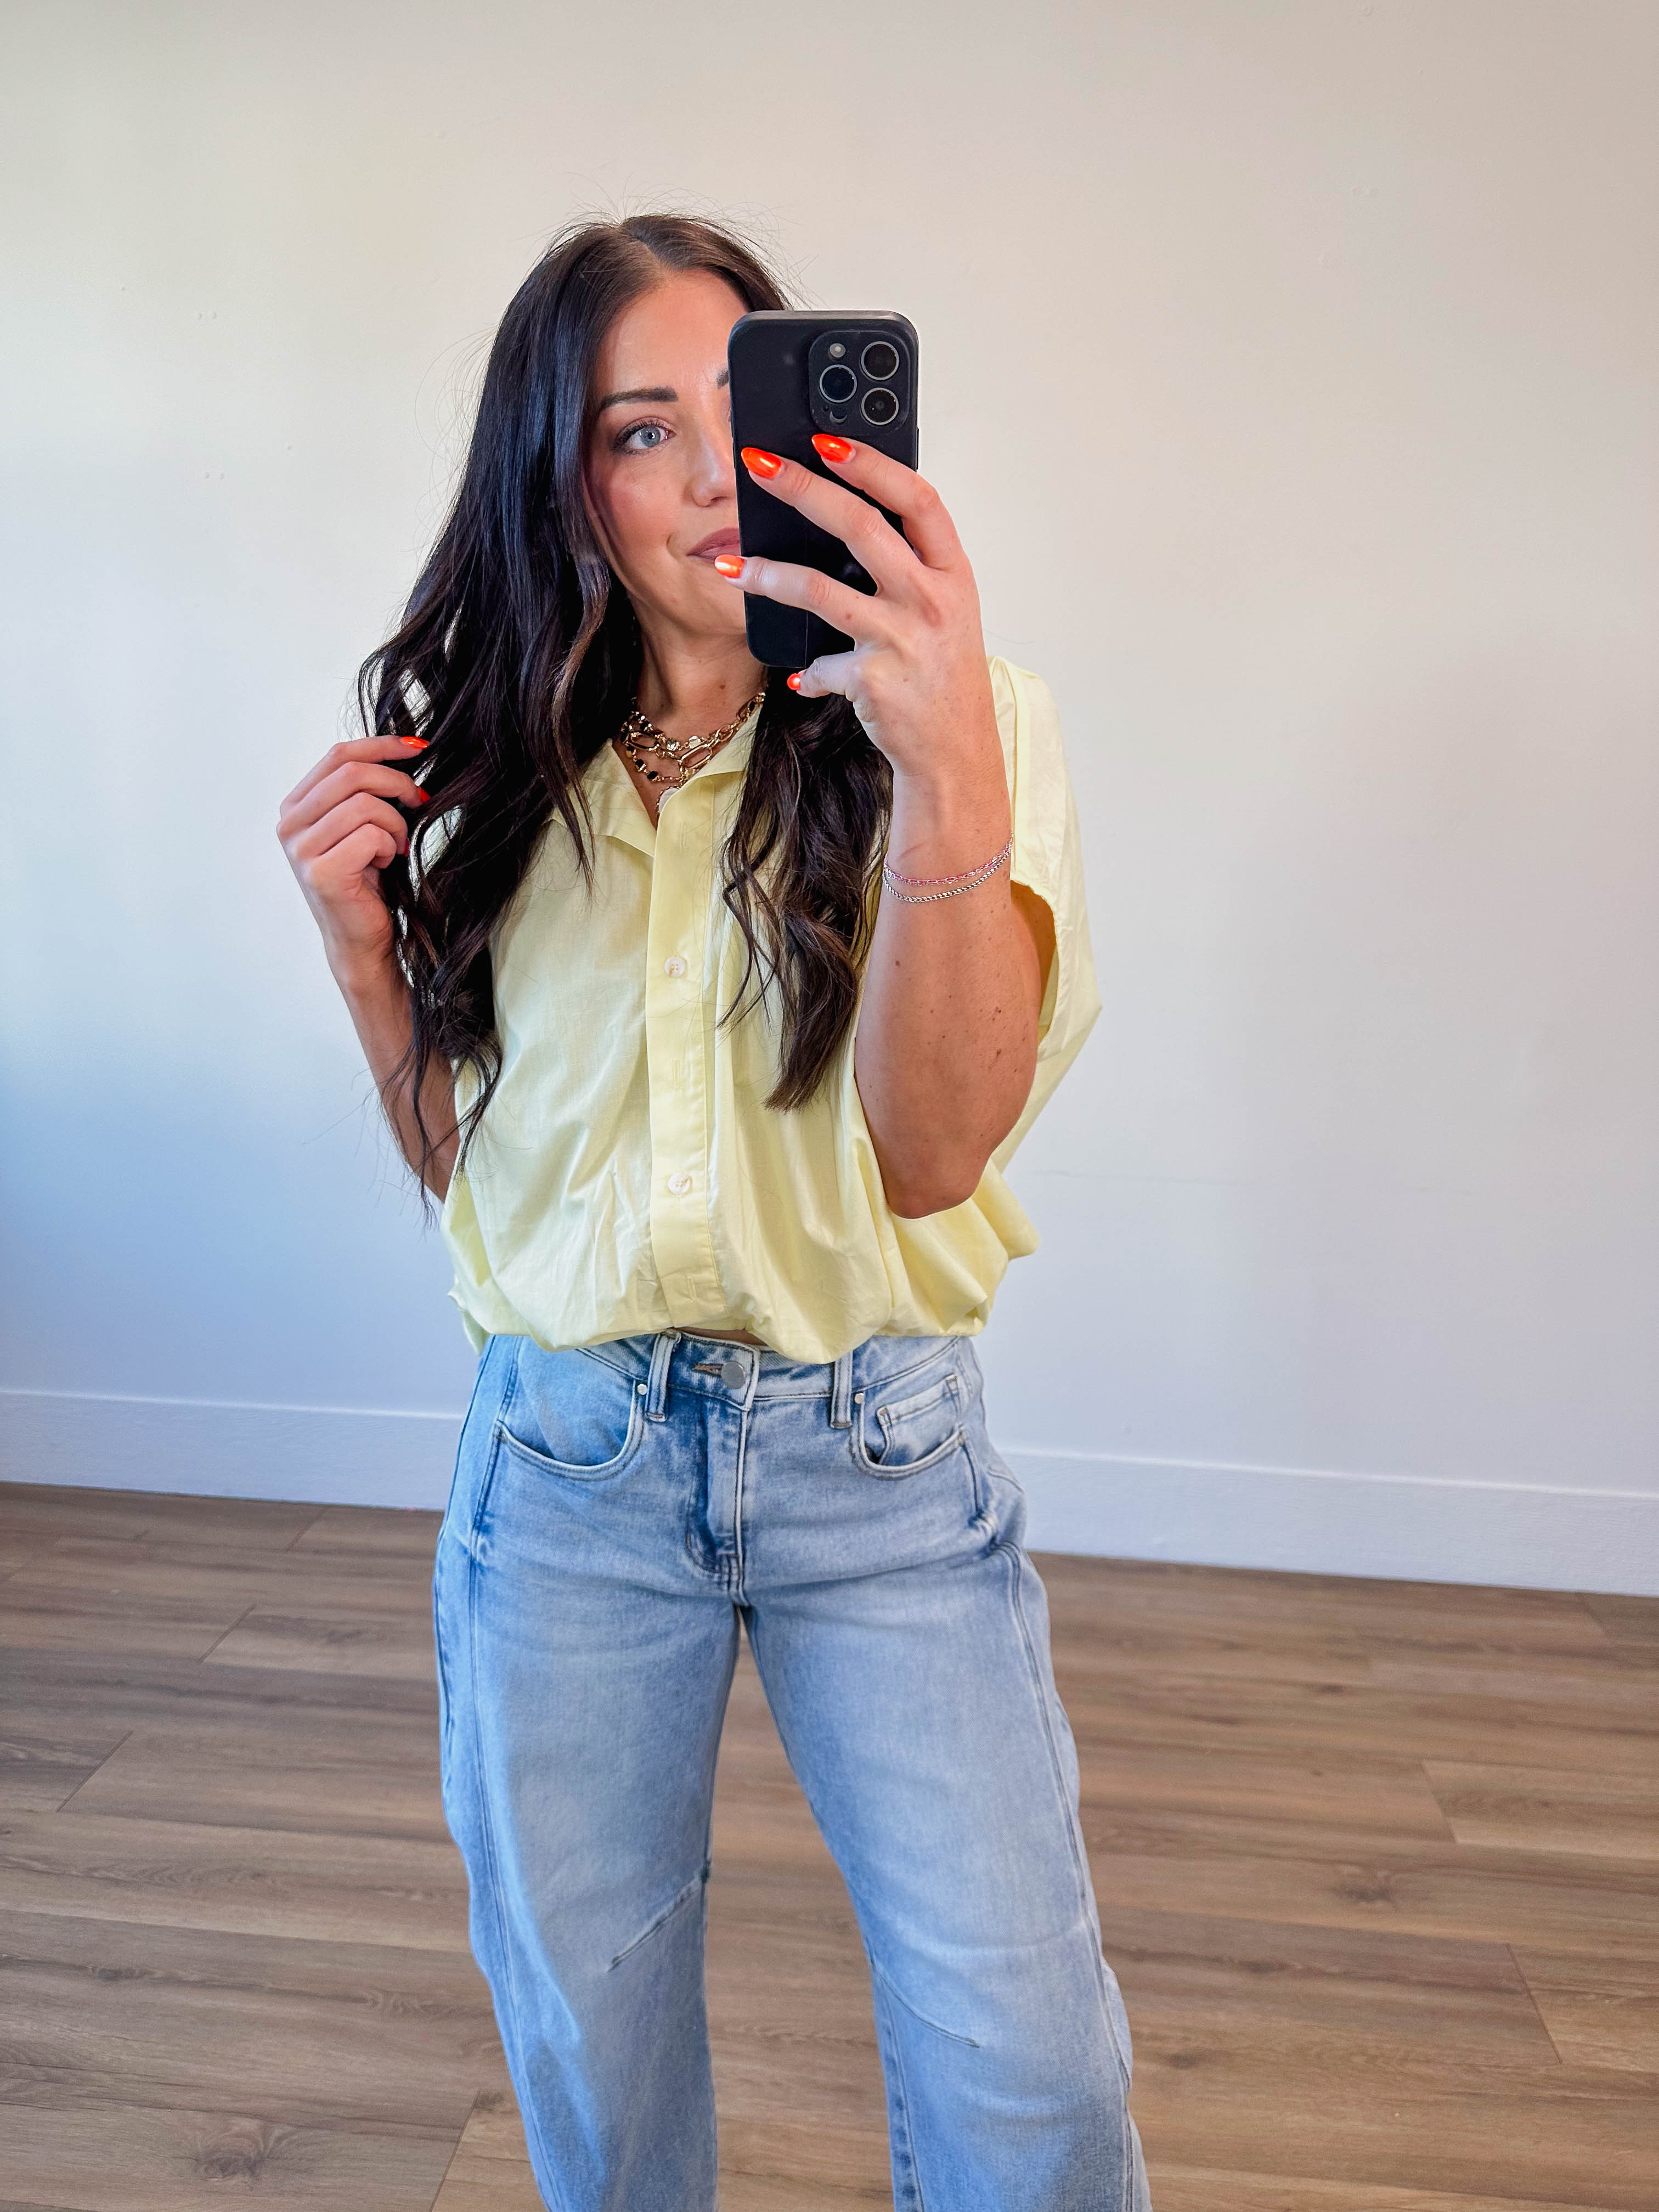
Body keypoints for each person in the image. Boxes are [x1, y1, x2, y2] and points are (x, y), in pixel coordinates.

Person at [278, 213, 1151, 2212]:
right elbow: (475, 1175)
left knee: (1029, 2079)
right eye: (635, 430)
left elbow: (932, 1155)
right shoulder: (488, 761)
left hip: (879, 1463)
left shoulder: (973, 723)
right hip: (565, 1470)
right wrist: (363, 958)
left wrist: (943, 775)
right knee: (598, 2068)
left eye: (731, 416)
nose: (701, 482)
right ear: (562, 475)